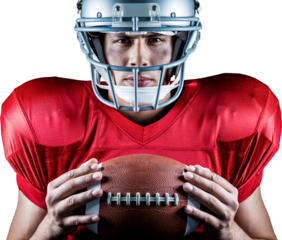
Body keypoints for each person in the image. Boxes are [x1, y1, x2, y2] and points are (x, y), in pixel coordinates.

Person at [1, 0, 280, 239]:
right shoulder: (46, 119)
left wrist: (230, 232)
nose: (139, 58)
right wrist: (50, 228)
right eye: (122, 39)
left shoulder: (234, 117)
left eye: (155, 38)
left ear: (180, 41)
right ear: (96, 44)